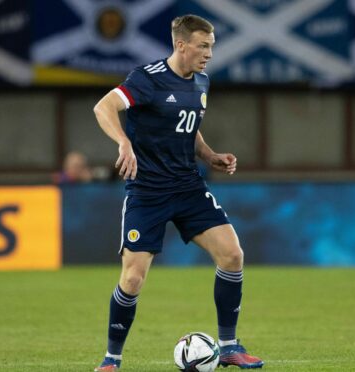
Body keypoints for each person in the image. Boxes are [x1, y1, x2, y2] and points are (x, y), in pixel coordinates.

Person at [92, 14, 263, 371]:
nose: (209, 54)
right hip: (148, 191)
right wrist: (123, 141)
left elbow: (188, 128)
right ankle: (111, 359)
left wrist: (209, 154)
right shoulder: (146, 79)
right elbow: (103, 107)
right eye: (203, 46)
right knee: (133, 278)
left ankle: (229, 346)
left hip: (188, 186)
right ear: (181, 45)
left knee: (232, 255)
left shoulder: (201, 82)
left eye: (211, 46)